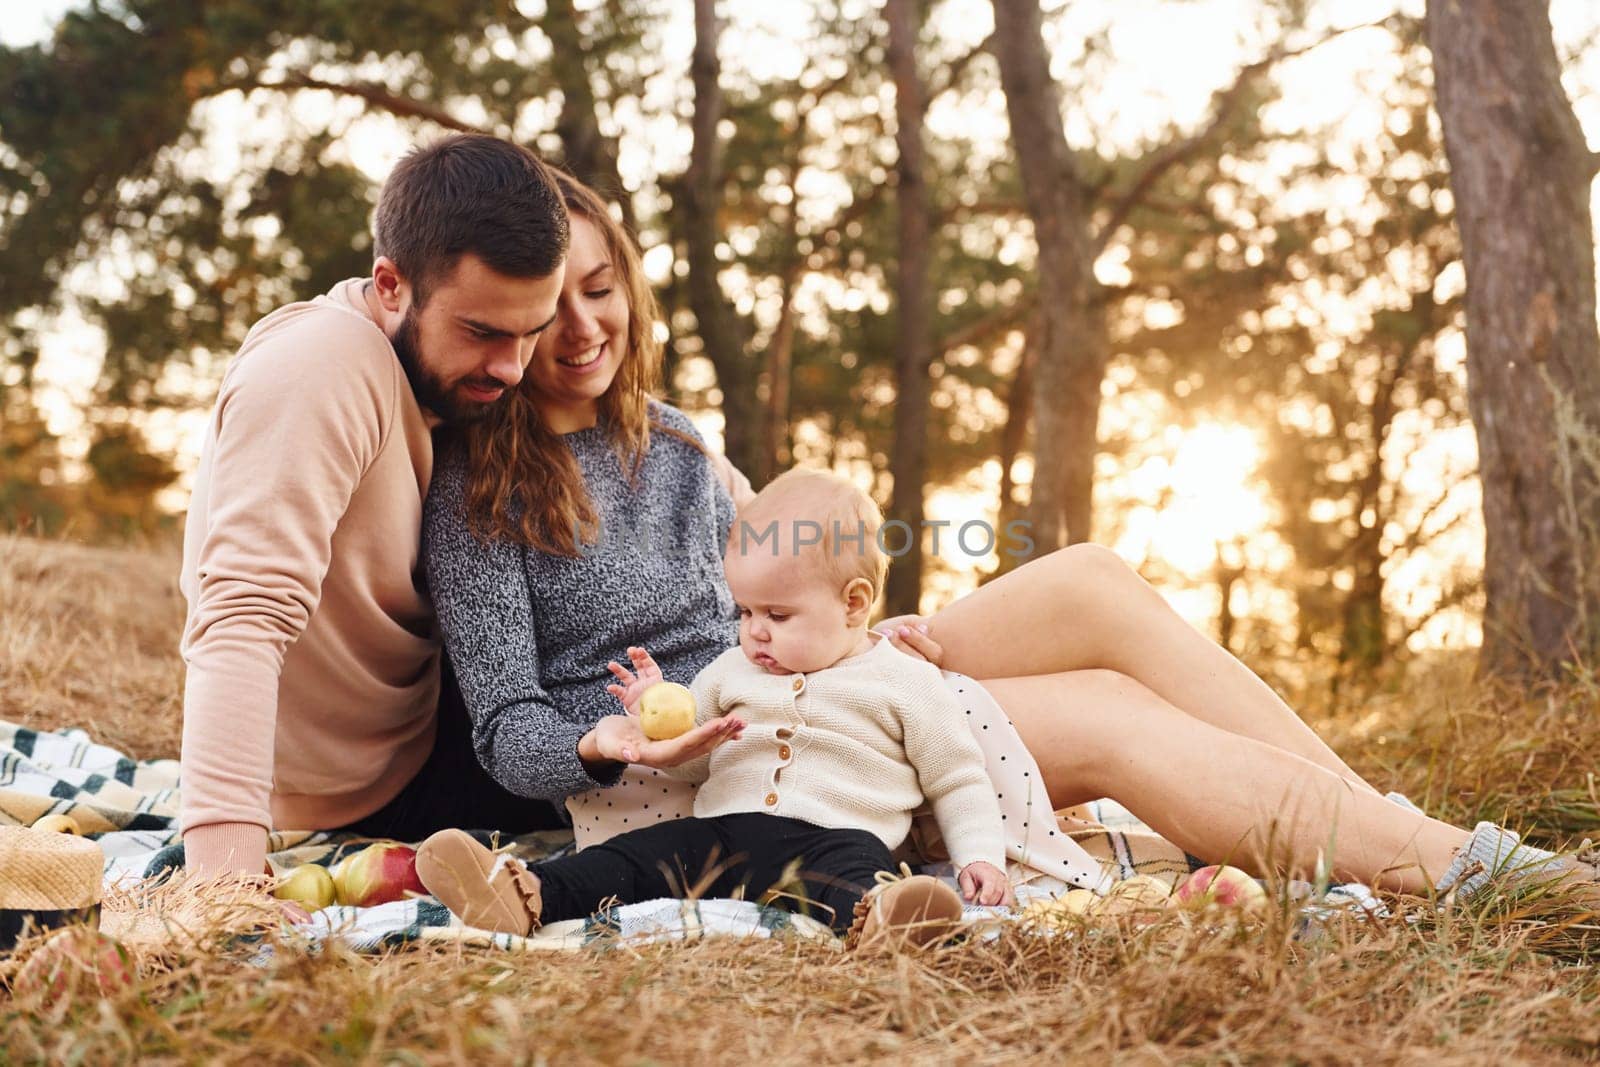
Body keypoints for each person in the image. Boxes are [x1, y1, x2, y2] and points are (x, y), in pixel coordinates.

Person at [426, 168, 1600, 912]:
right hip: (709, 774)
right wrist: (608, 738)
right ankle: (1449, 863)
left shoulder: (676, 442)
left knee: (1087, 577)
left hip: (817, 682)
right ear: (511, 310)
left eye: (601, 288)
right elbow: (507, 730)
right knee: (1095, 711)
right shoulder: (479, 487)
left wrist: (856, 631)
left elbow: (775, 583)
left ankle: (1379, 826)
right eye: (551, 301)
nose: (581, 326)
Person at [176, 133, 577, 879]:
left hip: (433, 723)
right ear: (390, 283)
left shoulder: (440, 370)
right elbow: (240, 612)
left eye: (532, 332)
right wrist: (222, 877)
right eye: (483, 331)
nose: (512, 367)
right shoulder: (320, 365)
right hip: (377, 791)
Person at [416, 468, 1012, 939]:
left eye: (777, 616)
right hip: (724, 834)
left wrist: (980, 856)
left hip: (837, 835)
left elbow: (957, 778)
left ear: (854, 604)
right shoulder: (730, 670)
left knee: (854, 879)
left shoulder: (904, 681)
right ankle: (523, 893)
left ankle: (888, 919)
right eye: (746, 611)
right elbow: (692, 762)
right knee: (638, 858)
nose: (753, 631)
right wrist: (658, 714)